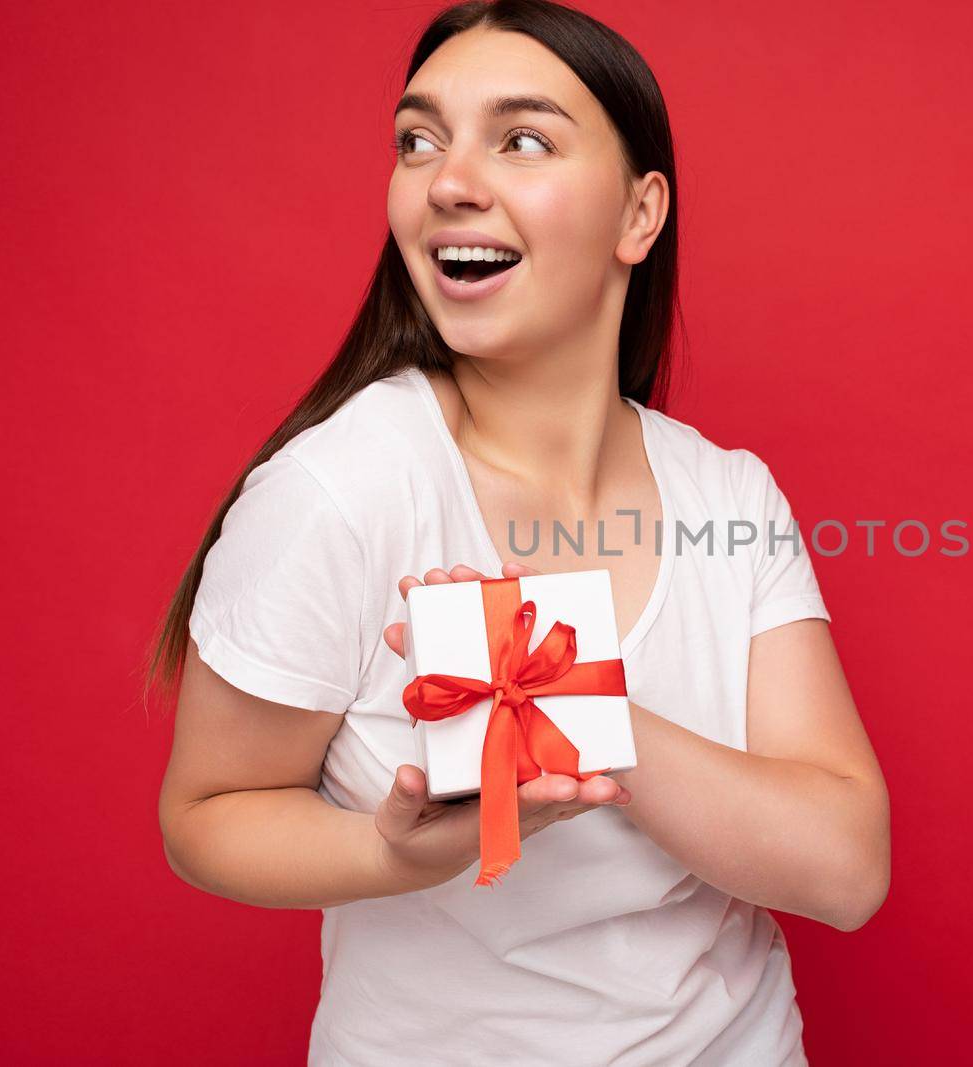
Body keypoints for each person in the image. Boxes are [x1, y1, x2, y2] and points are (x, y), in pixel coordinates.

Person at [148, 2, 890, 1063]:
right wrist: (393, 853)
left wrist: (574, 700)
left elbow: (846, 869)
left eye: (522, 138)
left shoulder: (730, 496)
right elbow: (205, 813)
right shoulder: (341, 486)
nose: (448, 179)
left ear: (641, 216)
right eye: (419, 139)